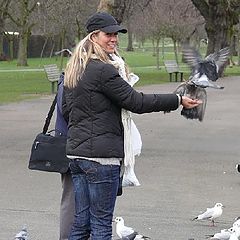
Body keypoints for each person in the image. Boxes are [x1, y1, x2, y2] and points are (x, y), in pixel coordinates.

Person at [62, 12, 202, 240]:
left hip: (77, 156)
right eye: (108, 34)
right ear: (93, 37)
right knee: (100, 226)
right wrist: (177, 100)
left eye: (116, 34)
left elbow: (69, 111)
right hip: (101, 159)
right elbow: (136, 102)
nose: (114, 39)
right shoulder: (103, 70)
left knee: (81, 223)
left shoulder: (75, 68)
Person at [55, 73, 75, 240]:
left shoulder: (68, 80)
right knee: (71, 198)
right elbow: (68, 112)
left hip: (73, 145)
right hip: (72, 148)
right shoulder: (70, 81)